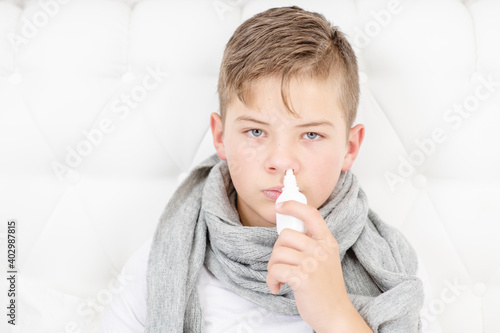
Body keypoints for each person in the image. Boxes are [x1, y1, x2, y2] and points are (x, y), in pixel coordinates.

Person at [100, 6, 427, 332]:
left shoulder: (391, 269)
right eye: (256, 132)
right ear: (220, 137)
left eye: (311, 134)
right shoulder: (157, 267)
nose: (283, 161)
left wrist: (336, 314)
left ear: (350, 148)